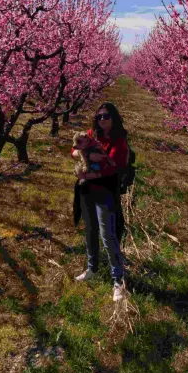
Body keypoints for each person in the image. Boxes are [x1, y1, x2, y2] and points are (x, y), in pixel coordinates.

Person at [71, 102, 128, 301]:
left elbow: (116, 166)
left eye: (106, 116)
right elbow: (74, 150)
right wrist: (81, 153)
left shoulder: (119, 141)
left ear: (114, 118)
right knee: (90, 231)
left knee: (108, 235)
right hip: (87, 190)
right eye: (99, 117)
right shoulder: (90, 134)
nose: (102, 120)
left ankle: (118, 281)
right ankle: (92, 268)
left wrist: (93, 174)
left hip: (105, 190)